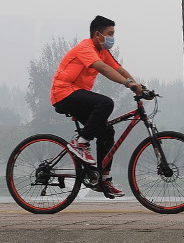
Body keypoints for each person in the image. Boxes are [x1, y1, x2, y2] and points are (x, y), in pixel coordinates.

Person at [50, 15, 144, 198]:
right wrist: (128, 84)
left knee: (106, 132)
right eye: (110, 33)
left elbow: (118, 69)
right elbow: (104, 69)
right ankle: (80, 144)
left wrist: (138, 85)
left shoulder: (103, 51)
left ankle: (103, 180)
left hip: (78, 95)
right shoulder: (86, 48)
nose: (112, 38)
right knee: (105, 103)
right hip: (64, 93)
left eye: (113, 34)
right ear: (98, 34)